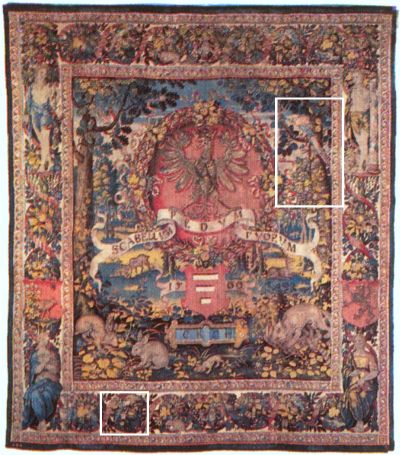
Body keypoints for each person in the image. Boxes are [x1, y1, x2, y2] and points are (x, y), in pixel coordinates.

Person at [342, 333, 378, 432]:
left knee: (363, 395)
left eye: (360, 341)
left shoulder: (369, 356)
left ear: (364, 342)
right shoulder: (351, 356)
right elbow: (345, 370)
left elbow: (375, 372)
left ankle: (361, 421)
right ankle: (359, 420)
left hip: (367, 383)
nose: (358, 343)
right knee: (352, 395)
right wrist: (351, 373)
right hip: (354, 383)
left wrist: (364, 378)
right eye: (356, 341)